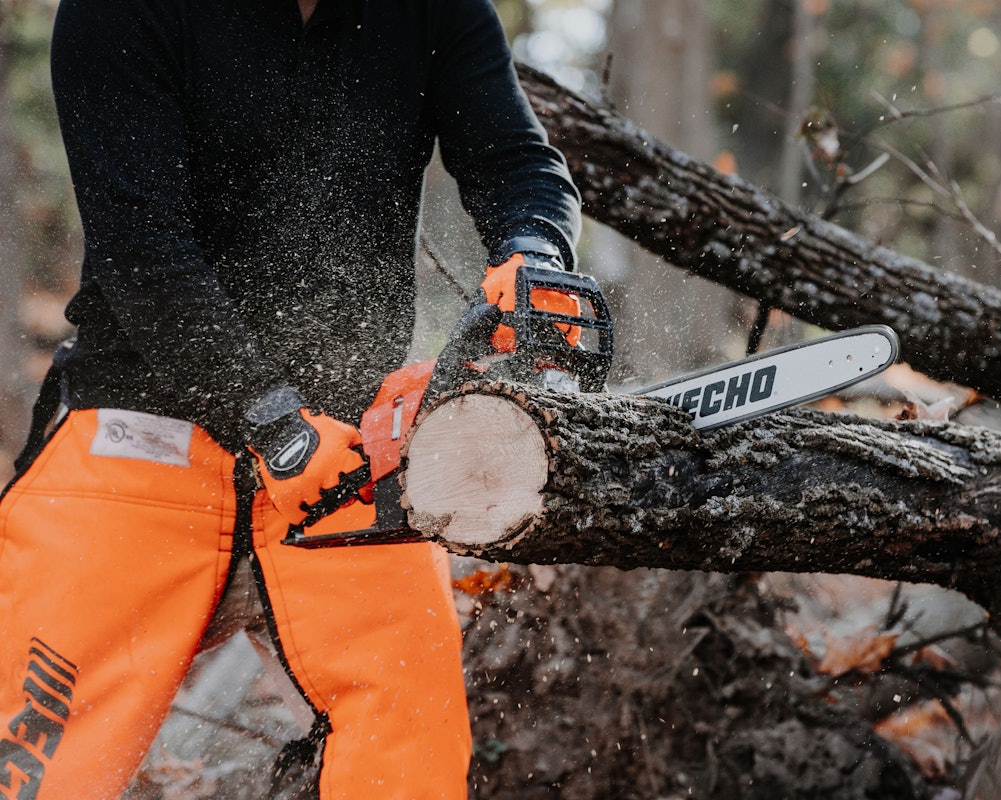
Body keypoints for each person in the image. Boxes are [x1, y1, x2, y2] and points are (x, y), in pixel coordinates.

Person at [0, 0, 583, 797]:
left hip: (350, 442)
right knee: (37, 757)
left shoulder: (438, 10)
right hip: (146, 424)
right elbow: (142, 249)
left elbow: (518, 162)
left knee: (409, 744)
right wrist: (268, 417)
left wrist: (533, 250)